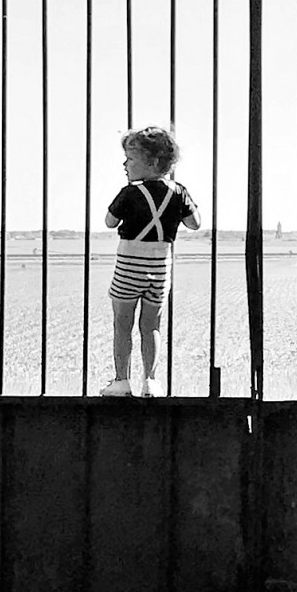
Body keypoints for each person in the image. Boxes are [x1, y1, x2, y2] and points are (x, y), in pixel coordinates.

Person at [101, 125, 200, 398]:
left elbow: (109, 221)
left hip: (128, 267)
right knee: (151, 325)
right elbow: (195, 223)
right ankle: (151, 381)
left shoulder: (129, 193)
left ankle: (121, 380)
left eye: (130, 159)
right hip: (160, 269)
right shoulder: (178, 192)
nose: (125, 164)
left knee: (122, 325)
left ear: (152, 162)